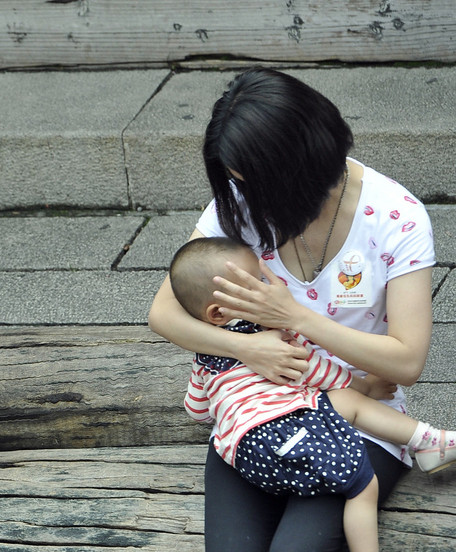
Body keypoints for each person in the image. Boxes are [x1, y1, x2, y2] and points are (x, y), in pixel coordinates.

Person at [148, 66, 437, 551]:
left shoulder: (395, 218)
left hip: (358, 416)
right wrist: (248, 349)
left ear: (296, 170)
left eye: (253, 183)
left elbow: (406, 361)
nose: (242, 197)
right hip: (254, 418)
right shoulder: (240, 202)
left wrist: (297, 318)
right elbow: (164, 313)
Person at [169, 237, 455, 552]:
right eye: (256, 284)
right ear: (219, 311)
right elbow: (319, 371)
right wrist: (367, 386)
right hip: (292, 432)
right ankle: (429, 441)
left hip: (243, 452)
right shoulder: (270, 334)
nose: (266, 286)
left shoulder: (205, 356)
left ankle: (428, 442)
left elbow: (196, 409)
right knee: (360, 482)